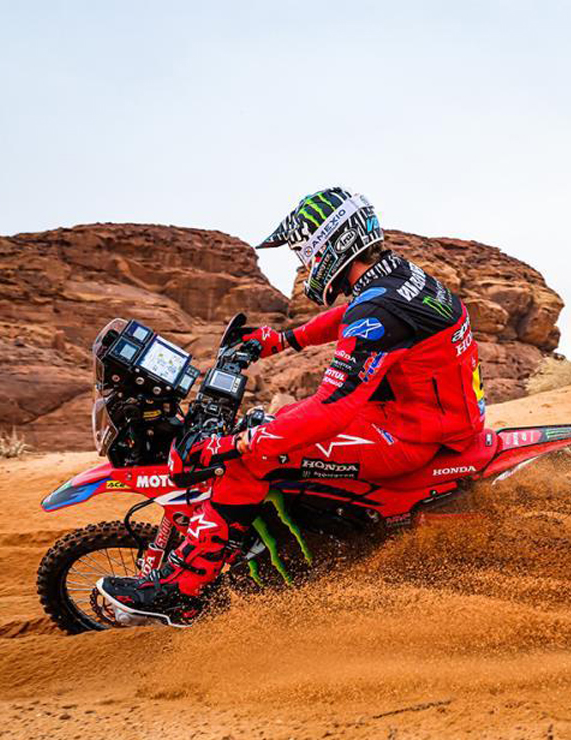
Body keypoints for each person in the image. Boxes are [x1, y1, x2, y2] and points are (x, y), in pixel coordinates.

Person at [98, 188, 485, 626]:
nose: (304, 264)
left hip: (410, 435)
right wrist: (283, 340)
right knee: (277, 424)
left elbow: (332, 410)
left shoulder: (379, 308)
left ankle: (180, 593)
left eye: (303, 250)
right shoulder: (396, 277)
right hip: (426, 415)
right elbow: (348, 317)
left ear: (331, 242)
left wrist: (236, 444)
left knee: (247, 459)